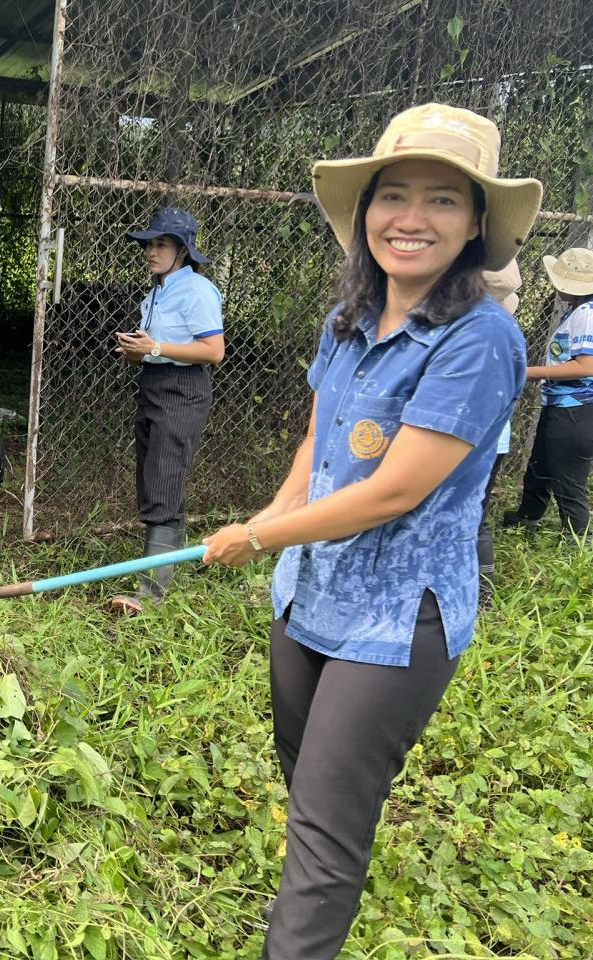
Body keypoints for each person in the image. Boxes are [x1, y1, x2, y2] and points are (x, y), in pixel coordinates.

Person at [201, 103, 542, 959]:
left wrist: (259, 539)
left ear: (474, 226)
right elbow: (319, 445)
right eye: (394, 195)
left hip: (396, 623)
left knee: (323, 828)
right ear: (365, 213)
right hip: (310, 595)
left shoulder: (481, 339)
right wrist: (272, 517)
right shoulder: (349, 317)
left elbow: (393, 491)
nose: (412, 219)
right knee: (310, 788)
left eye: (443, 201)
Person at [110, 207, 224, 614]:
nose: (151, 252)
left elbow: (213, 351)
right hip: (154, 386)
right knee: (155, 480)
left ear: (183, 250)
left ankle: (152, 596)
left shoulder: (197, 291)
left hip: (183, 390)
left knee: (164, 481)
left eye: (161, 244)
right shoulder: (156, 293)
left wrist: (155, 348)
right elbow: (151, 353)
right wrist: (135, 352)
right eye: (149, 244)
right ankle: (158, 580)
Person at [501, 246, 593, 538]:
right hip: (563, 406)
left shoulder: (586, 314)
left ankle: (578, 546)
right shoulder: (577, 309)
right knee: (539, 465)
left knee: (568, 484)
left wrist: (528, 373)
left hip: (577, 410)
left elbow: (585, 366)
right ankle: (527, 518)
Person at [476, 259, 523, 603]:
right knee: (476, 512)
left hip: (476, 440)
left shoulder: (482, 338)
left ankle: (481, 593)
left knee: (471, 514)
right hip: (495, 439)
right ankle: (483, 591)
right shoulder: (505, 334)